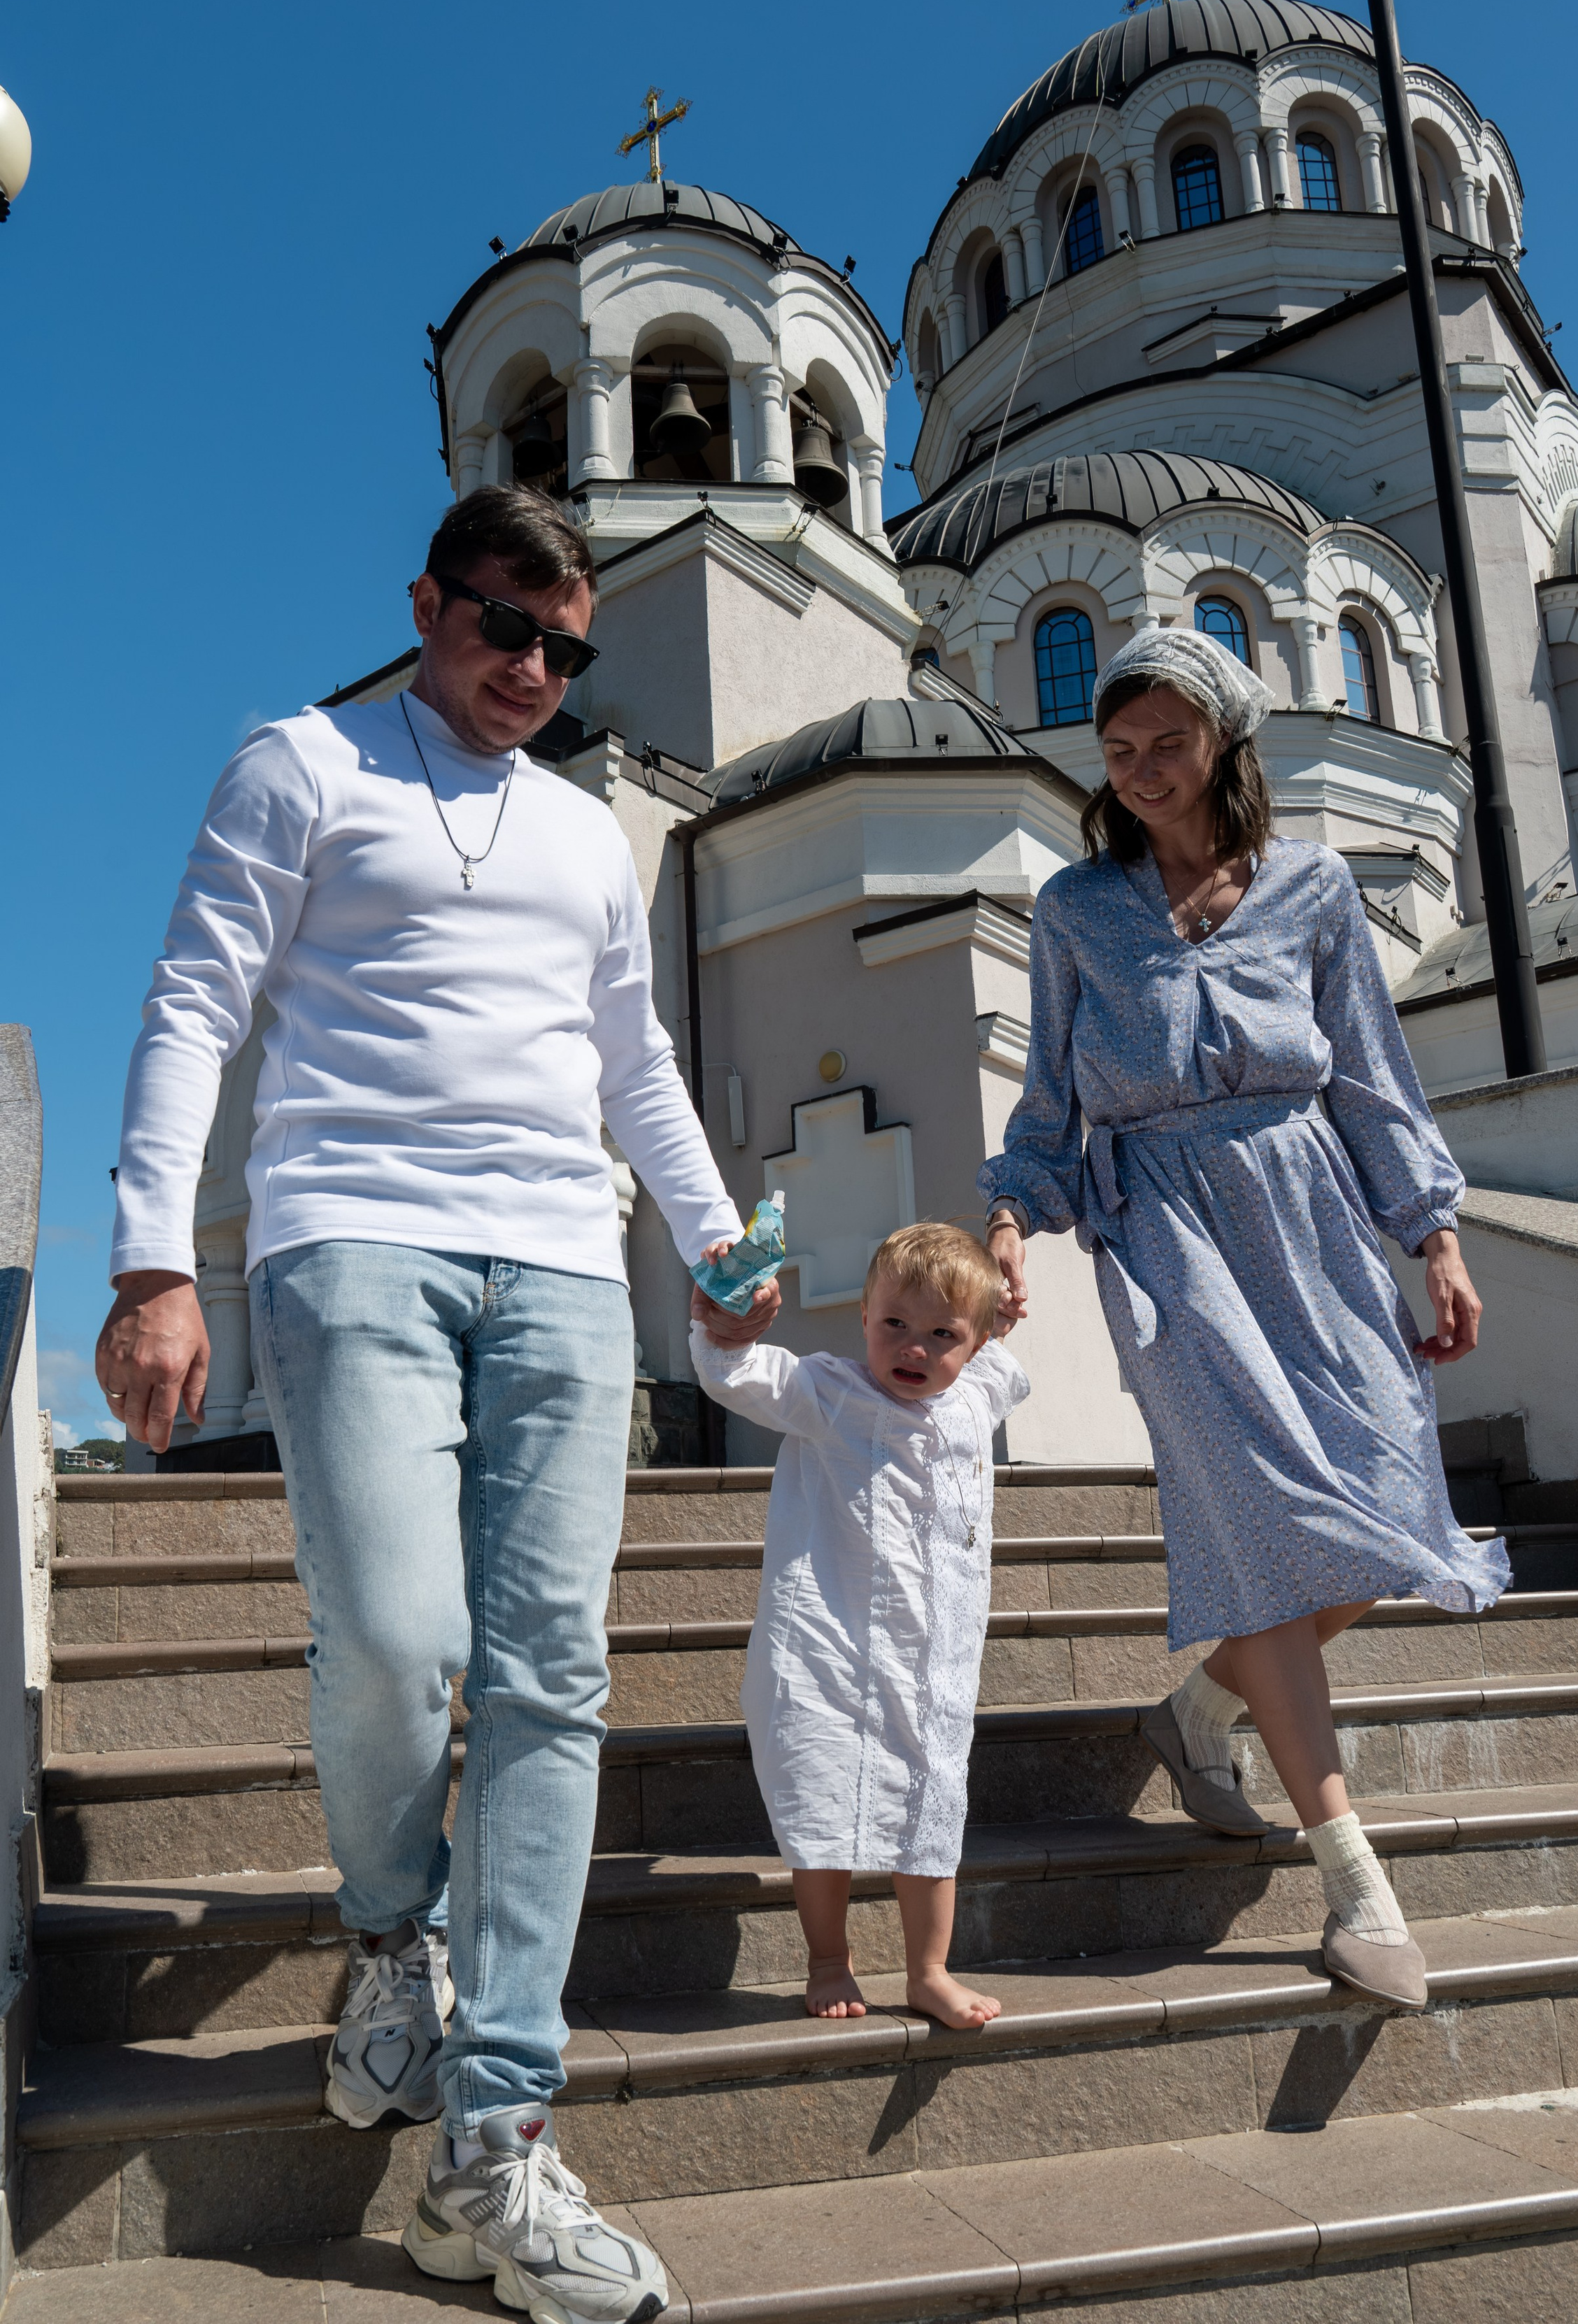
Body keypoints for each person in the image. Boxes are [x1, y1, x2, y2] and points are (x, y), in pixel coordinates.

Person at [95, 482, 778, 2324]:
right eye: (504, 632)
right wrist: (153, 1259)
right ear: (429, 602)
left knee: (554, 1673)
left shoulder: (577, 831)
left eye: (568, 649)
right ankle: (395, 1943)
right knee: (398, 1640)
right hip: (353, 1243)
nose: (533, 674)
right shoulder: (302, 766)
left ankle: (494, 2145)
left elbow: (633, 1059)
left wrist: (712, 1247)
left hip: (563, 1264)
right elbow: (191, 1006)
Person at [979, 625, 1506, 2014]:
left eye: (1167, 743)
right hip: (1161, 1231)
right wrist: (1007, 1220)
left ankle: (1201, 1710)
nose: (1142, 770)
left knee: (1378, 1508)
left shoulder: (1316, 889)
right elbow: (1047, 1098)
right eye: (1117, 750)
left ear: (1222, 742)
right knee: (1259, 1522)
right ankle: (1352, 1878)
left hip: (1314, 1221)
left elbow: (1375, 1084)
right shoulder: (1074, 909)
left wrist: (1431, 1239)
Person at [690, 1222, 1030, 2029]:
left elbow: (1006, 1368)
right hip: (826, 1646)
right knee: (823, 1797)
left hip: (934, 1656)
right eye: (894, 1326)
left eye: (942, 1334)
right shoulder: (828, 1391)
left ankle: (928, 1970)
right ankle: (827, 1956)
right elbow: (737, 1374)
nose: (914, 1348)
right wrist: (724, 1317)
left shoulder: (976, 1394)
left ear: (974, 1342)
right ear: (864, 1321)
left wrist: (1001, 1314)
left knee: (931, 1801)